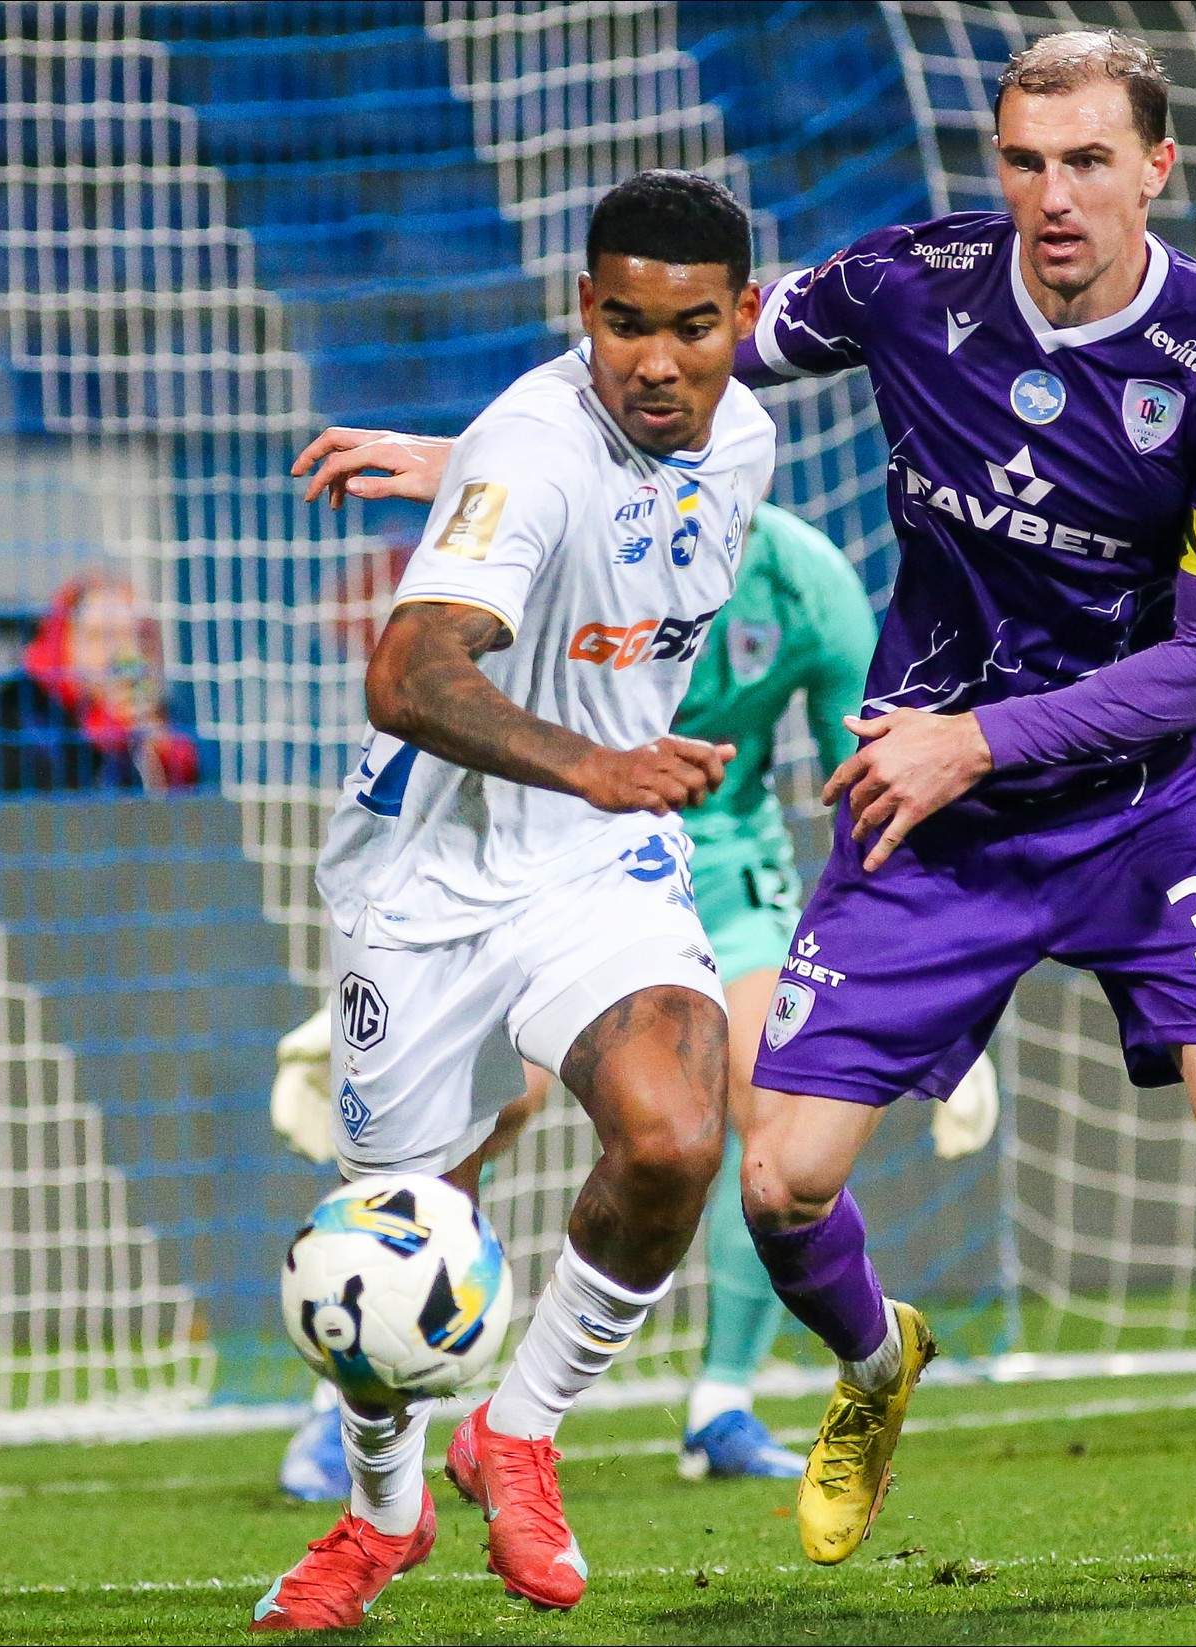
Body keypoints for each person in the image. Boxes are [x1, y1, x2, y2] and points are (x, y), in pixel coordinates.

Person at [296, 27, 1196, 1589]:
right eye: (1024, 161)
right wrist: (480, 465)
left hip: (1143, 811)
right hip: (930, 821)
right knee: (778, 1180)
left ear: (1155, 168)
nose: (1052, 196)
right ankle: (876, 1365)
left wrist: (977, 739)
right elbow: (673, 346)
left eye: (1087, 162)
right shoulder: (910, 284)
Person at [247, 170, 773, 1631]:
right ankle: (385, 1514)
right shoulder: (530, 452)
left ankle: (520, 1433)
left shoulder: (747, 433)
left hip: (593, 864)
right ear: (580, 310)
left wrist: (446, 455)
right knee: (396, 1228)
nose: (654, 360)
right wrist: (595, 761)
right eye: (622, 325)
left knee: (674, 1131)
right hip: (425, 877)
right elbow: (406, 672)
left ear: (741, 318)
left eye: (690, 328)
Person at [266, 498, 884, 1496]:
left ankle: (721, 1403)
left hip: (720, 871)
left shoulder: (809, 582)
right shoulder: (568, 523)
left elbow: (867, 786)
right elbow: (430, 691)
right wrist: (392, 965)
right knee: (490, 1108)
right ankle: (363, 1388)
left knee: (765, 1097)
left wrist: (882, 976)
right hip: (535, 852)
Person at [0, 570, 202, 793]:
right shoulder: (14, 712)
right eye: (100, 637)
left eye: (138, 638)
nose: (122, 653)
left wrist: (162, 749)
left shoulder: (159, 715)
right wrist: (106, 738)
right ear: (64, 640)